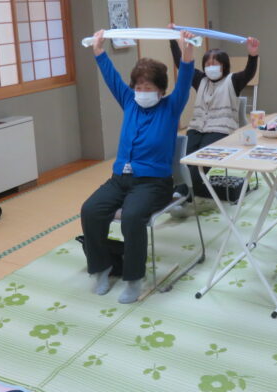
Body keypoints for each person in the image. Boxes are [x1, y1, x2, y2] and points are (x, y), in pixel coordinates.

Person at [80, 29, 195, 304]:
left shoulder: (171, 107)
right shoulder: (129, 102)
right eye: (139, 87)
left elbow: (185, 79)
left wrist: (187, 51)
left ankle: (133, 279)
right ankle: (102, 268)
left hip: (154, 184)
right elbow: (111, 77)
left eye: (149, 88)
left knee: (132, 218)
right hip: (119, 179)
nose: (142, 92)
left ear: (161, 90)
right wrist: (99, 50)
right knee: (91, 210)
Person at [169, 26, 259, 202]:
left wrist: (253, 55)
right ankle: (184, 192)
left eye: (215, 64)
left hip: (220, 130)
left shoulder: (233, 81)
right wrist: (172, 40)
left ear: (224, 66)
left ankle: (182, 193)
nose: (211, 67)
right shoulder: (200, 79)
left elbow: (249, 73)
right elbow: (181, 64)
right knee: (184, 158)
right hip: (196, 128)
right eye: (208, 64)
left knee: (202, 159)